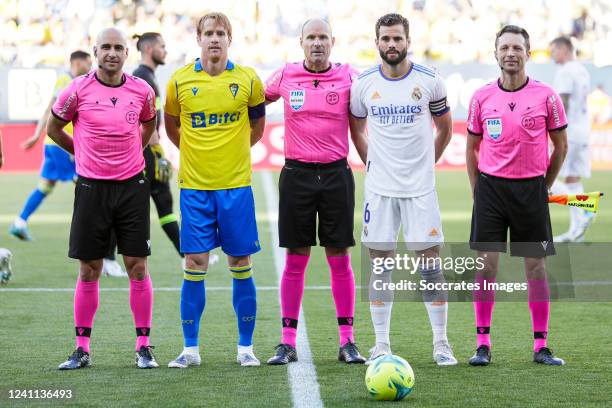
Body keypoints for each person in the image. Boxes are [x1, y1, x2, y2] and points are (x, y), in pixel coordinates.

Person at [47, 28, 158, 370]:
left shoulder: (142, 90)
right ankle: (82, 349)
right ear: (95, 51)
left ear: (127, 53)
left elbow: (149, 124)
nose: (112, 53)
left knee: (137, 267)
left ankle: (143, 346)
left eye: (118, 48)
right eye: (106, 47)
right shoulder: (77, 89)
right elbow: (54, 128)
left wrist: (132, 153)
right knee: (89, 269)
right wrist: (81, 154)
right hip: (92, 189)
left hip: (132, 188)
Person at [350, 13, 456, 366]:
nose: (391, 45)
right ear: (376, 42)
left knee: (430, 266)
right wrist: (371, 163)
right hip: (380, 191)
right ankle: (381, 344)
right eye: (386, 39)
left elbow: (445, 127)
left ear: (407, 41)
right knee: (380, 268)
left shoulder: (430, 80)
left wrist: (428, 165)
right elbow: (357, 124)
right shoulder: (364, 83)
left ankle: (441, 343)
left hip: (420, 191)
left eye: (397, 39)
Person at [163, 12, 266, 368]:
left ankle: (245, 348)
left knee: (240, 262)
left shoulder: (248, 80)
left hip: (236, 187)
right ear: (198, 39)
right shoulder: (178, 82)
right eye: (208, 33)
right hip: (195, 188)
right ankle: (190, 349)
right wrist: (198, 156)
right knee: (195, 263)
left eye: (221, 33)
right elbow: (172, 127)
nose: (215, 39)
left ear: (229, 39)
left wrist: (231, 156)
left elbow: (257, 127)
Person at [264, 18, 365, 365]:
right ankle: (287, 341)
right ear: (301, 42)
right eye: (311, 37)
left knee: (339, 257)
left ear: (333, 42)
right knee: (296, 257)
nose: (317, 43)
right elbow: (251, 101)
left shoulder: (350, 76)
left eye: (323, 37)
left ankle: (348, 340)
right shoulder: (285, 75)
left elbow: (368, 118)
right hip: (297, 174)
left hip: (337, 174)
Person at [466, 25, 568, 366]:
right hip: (491, 190)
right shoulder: (481, 96)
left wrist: (544, 185)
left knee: (536, 268)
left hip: (530, 189)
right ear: (495, 53)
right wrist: (477, 191)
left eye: (517, 48)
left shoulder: (547, 96)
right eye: (505, 47)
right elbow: (472, 147)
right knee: (486, 266)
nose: (511, 53)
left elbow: (561, 145)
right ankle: (483, 344)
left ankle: (541, 345)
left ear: (528, 53)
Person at [10, 51, 91, 242]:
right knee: (86, 181)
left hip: (52, 143)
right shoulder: (66, 81)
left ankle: (20, 222)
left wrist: (37, 136)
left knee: (46, 186)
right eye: (88, 63)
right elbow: (53, 110)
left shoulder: (69, 81)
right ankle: (89, 229)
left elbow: (48, 110)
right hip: (63, 143)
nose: (90, 67)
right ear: (77, 63)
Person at [549, 36, 594, 242]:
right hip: (583, 130)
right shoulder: (582, 69)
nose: (551, 54)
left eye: (554, 50)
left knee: (544, 175)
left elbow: (563, 103)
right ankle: (577, 233)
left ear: (564, 48)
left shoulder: (565, 71)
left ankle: (586, 207)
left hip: (570, 133)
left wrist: (556, 132)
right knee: (572, 178)